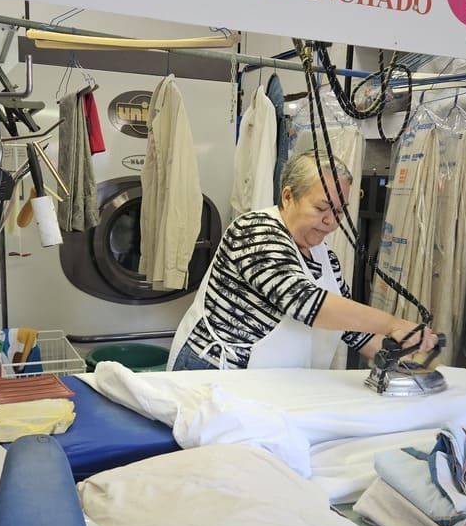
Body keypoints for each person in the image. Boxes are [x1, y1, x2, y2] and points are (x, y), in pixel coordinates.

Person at [168, 150, 438, 371]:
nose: (332, 222)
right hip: (213, 376)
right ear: (288, 196)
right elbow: (304, 302)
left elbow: (352, 328)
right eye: (321, 208)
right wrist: (394, 324)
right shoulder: (255, 230)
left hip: (272, 384)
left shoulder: (325, 257)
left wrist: (409, 360)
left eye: (340, 212)